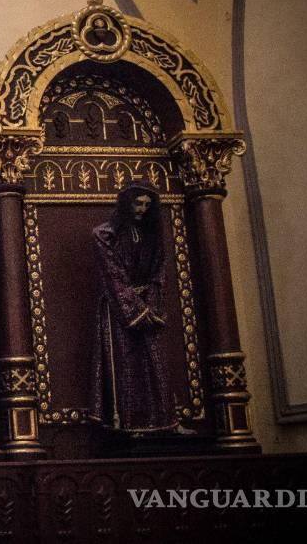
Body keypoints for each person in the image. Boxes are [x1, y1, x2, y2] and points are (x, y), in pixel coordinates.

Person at [88, 183, 178, 432]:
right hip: (119, 309)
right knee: (126, 364)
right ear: (126, 203)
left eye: (147, 205)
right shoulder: (105, 235)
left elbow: (159, 271)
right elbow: (113, 276)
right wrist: (136, 309)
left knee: (156, 363)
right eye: (138, 203)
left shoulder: (152, 236)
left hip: (148, 304)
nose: (142, 209)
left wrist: (152, 304)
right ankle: (128, 423)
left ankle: (162, 421)